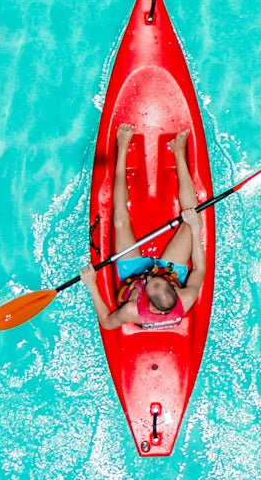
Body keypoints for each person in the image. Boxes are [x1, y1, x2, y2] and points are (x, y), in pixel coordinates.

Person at [80, 124, 206, 329]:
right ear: (175, 289)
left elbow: (107, 323)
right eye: (157, 278)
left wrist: (91, 284)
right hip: (170, 269)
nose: (150, 274)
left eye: (149, 281)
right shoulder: (187, 297)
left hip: (132, 274)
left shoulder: (132, 310)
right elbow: (200, 268)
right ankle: (178, 151)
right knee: (194, 219)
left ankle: (121, 150)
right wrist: (193, 227)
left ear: (152, 307)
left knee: (120, 221)